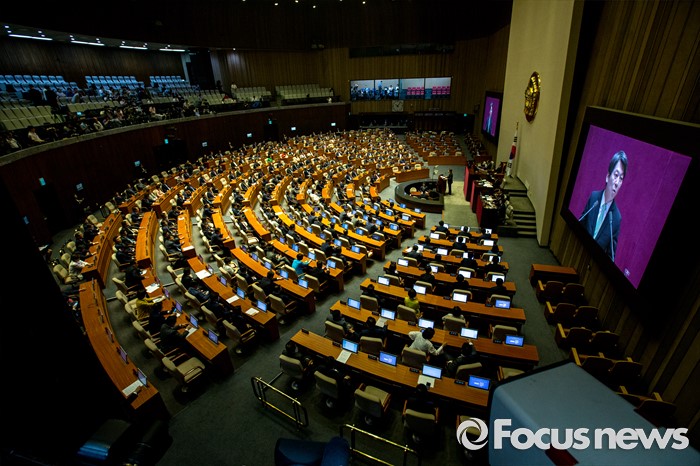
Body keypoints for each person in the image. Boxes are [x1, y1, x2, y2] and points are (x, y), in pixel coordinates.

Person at [579, 150, 628, 262]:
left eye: (621, 178)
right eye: (616, 175)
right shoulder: (594, 198)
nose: (617, 182)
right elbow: (580, 224)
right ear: (607, 176)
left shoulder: (616, 218)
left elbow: (611, 256)